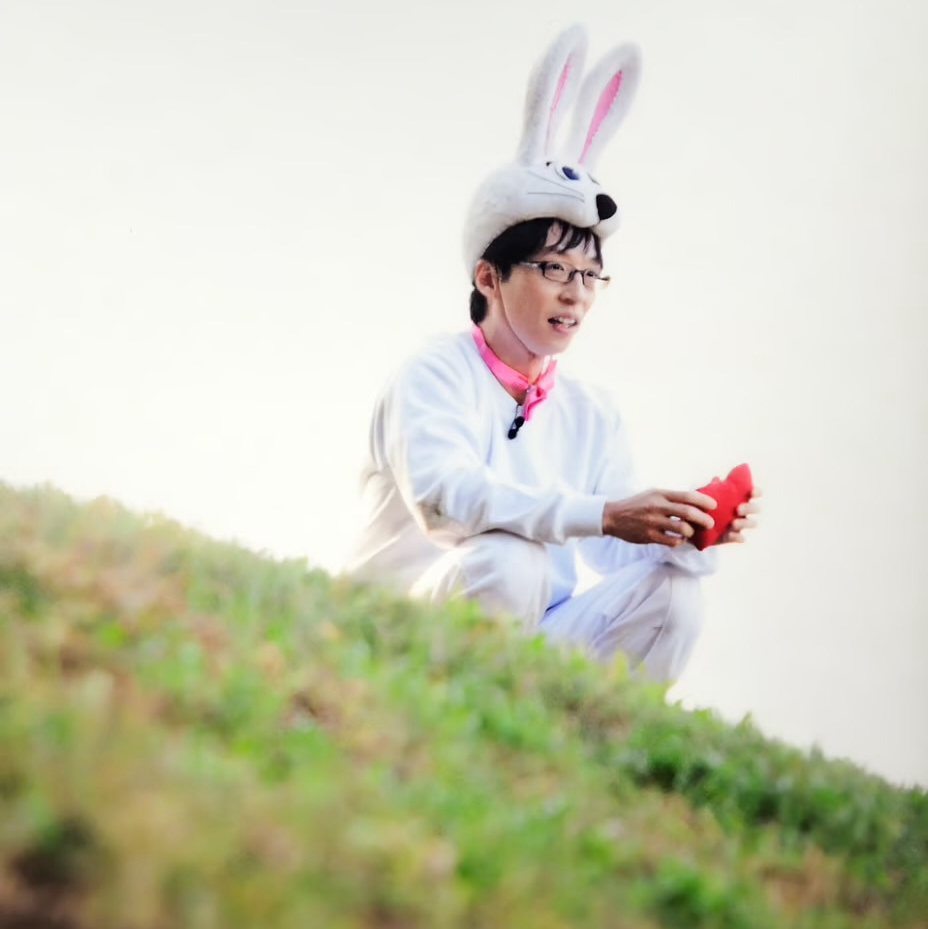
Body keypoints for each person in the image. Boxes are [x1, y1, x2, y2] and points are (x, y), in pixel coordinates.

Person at [342, 25, 759, 683]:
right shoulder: (431, 374)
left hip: (530, 632)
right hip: (397, 632)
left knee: (675, 595)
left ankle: (583, 740)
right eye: (555, 270)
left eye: (590, 275)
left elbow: (614, 546)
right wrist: (606, 513)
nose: (577, 294)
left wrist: (685, 528)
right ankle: (442, 724)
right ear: (488, 277)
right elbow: (446, 500)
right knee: (513, 559)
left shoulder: (593, 411)